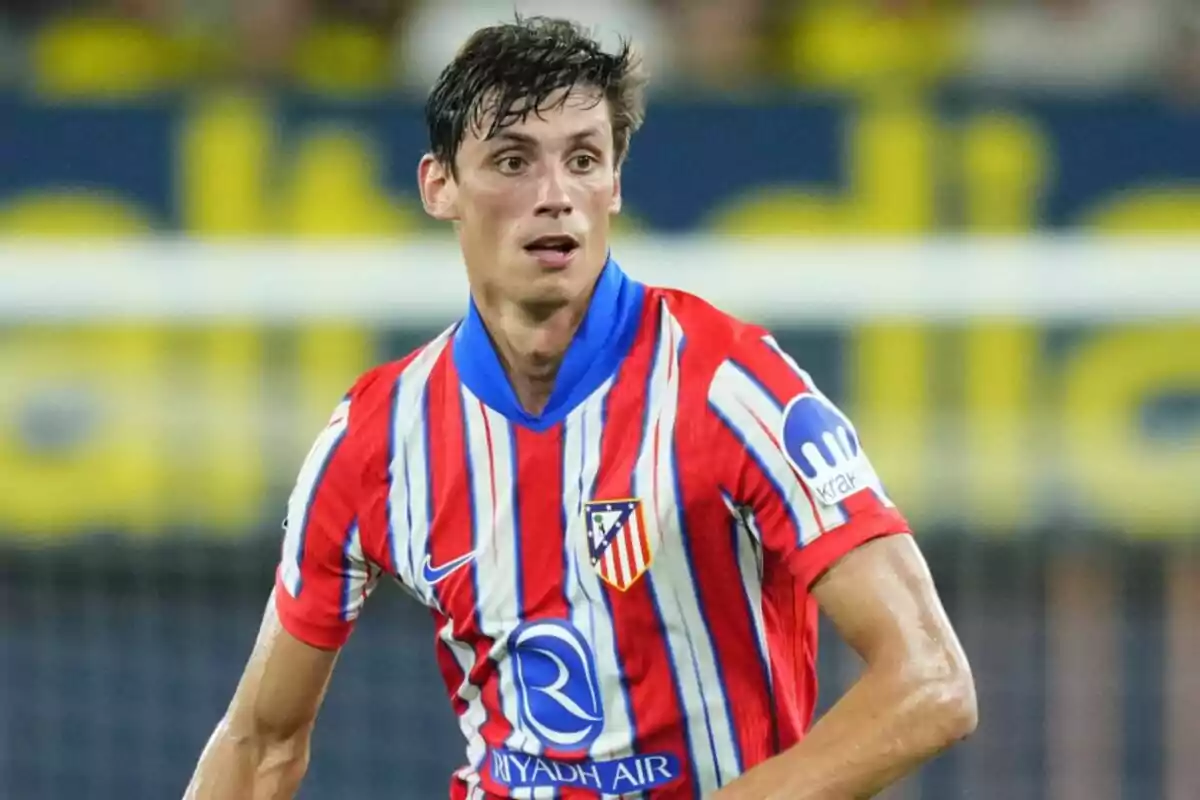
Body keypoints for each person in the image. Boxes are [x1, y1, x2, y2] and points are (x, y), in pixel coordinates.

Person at [184, 16, 977, 799]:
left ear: (616, 185)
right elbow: (260, 743)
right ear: (439, 187)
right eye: (512, 161)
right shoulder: (377, 439)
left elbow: (930, 681)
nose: (556, 196)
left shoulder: (729, 387)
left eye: (584, 159)